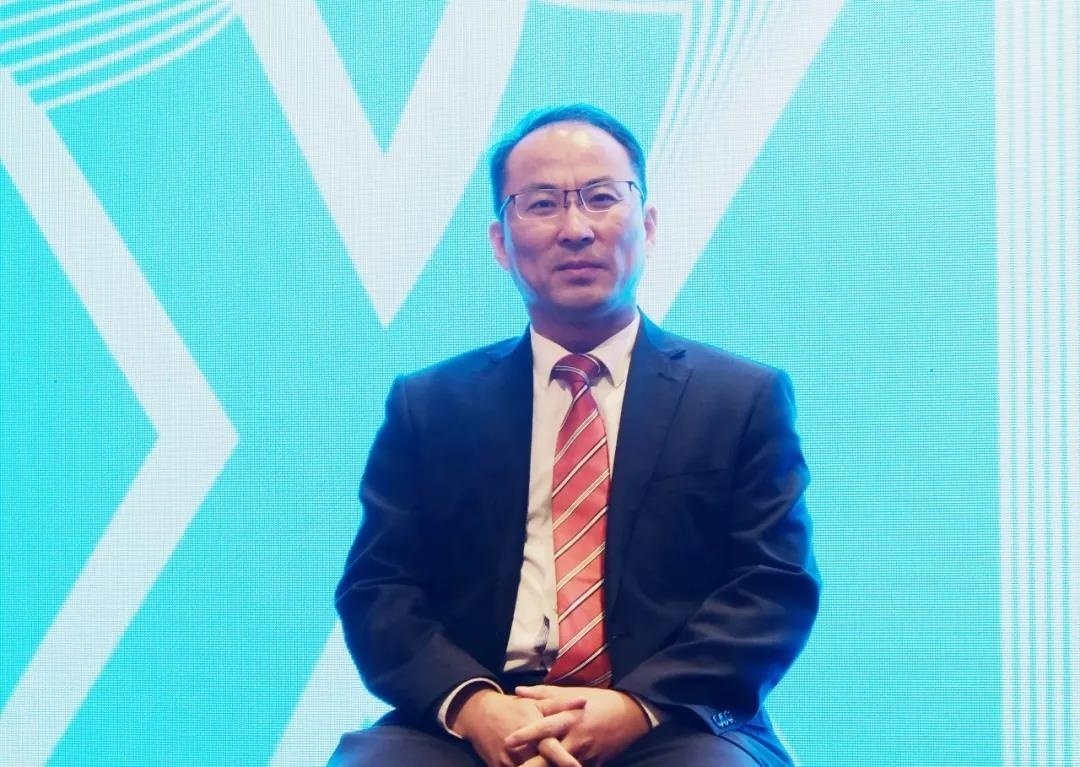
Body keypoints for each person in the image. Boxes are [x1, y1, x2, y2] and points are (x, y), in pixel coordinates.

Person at [329, 104, 820, 767]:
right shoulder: (432, 404)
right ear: (500, 242)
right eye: (542, 204)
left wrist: (636, 707)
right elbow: (378, 590)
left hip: (671, 718)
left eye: (601, 198)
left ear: (647, 225)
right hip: (480, 715)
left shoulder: (739, 398)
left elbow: (773, 585)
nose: (576, 228)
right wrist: (474, 705)